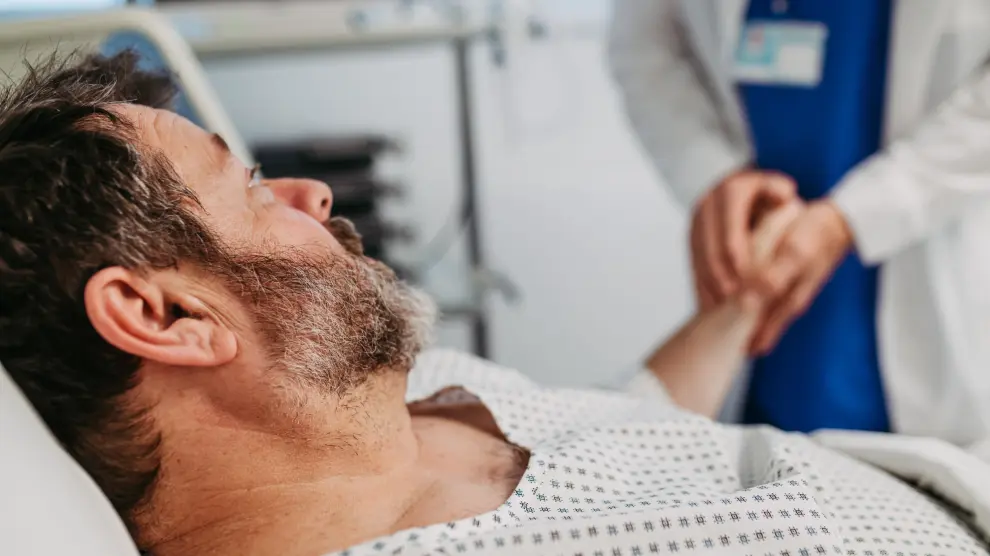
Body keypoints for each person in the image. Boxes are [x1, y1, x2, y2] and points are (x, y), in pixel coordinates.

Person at [1, 53, 988, 556]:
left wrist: (749, 295)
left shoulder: (423, 395)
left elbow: (626, 422)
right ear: (164, 316)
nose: (314, 195)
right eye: (253, 188)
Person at [608, 0, 990, 443]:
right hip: (758, 304)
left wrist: (859, 214)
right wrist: (710, 170)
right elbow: (644, 43)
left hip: (929, 273)